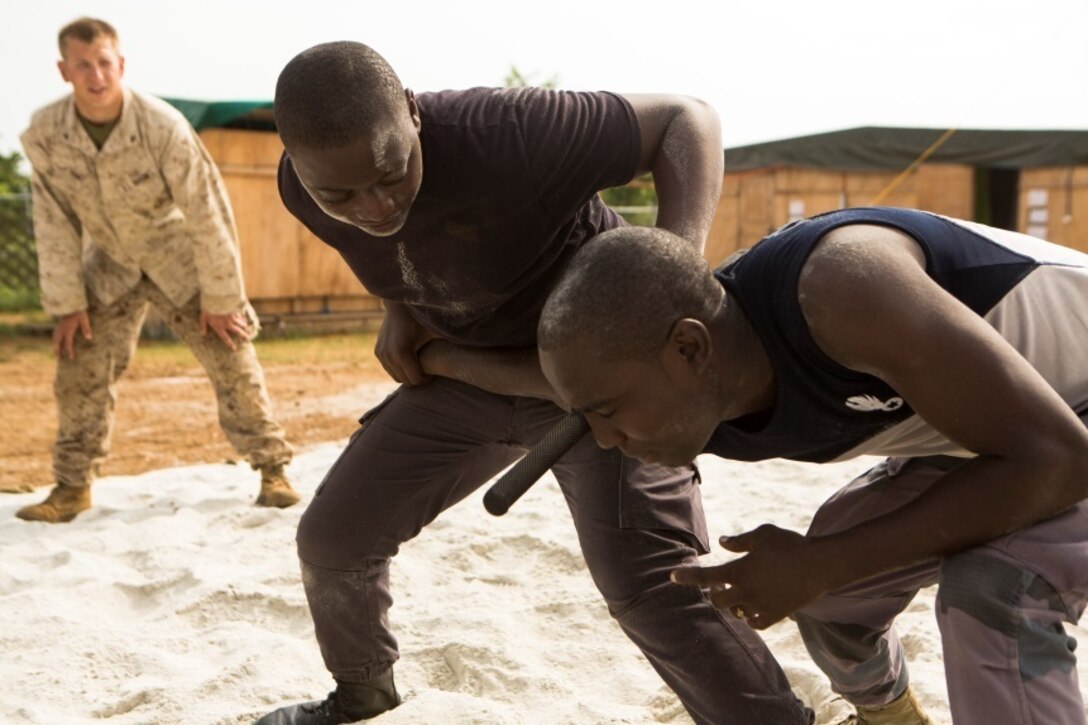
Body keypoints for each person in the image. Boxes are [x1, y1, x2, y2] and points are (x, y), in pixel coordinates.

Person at [257, 40, 815, 725]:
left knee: (647, 579)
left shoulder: (509, 134)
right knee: (333, 537)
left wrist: (670, 274)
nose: (373, 205)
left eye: (391, 173)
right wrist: (399, 308)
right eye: (338, 193)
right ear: (292, 160)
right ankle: (364, 696)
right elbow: (398, 245)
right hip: (474, 373)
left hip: (600, 376)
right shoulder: (301, 190)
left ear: (411, 113)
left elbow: (686, 118)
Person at [536, 208, 1088, 724]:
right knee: (833, 597)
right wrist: (448, 358)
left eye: (606, 412)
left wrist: (824, 561)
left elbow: (1062, 459)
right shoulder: (693, 376)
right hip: (996, 432)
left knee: (995, 587)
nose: (604, 441)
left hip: (1060, 434)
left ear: (689, 349)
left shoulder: (843, 289)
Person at [17, 17, 298, 523]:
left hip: (178, 255)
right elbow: (52, 220)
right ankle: (72, 487)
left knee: (231, 352)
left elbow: (206, 209)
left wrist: (221, 298)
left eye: (105, 63)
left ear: (120, 65)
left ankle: (272, 471)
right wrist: (66, 304)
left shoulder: (161, 125)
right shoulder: (44, 134)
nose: (96, 75)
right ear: (64, 70)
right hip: (108, 262)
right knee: (78, 361)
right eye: (83, 65)